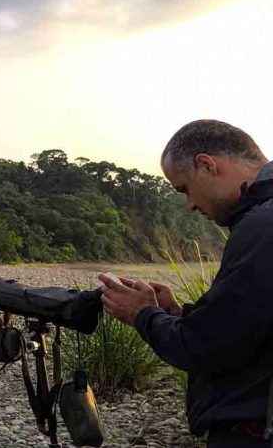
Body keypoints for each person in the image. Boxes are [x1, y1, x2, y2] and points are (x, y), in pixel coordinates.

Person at [99, 119, 273, 447]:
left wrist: (144, 315)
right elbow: (249, 333)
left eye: (184, 189)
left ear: (206, 165)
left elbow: (206, 348)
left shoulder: (263, 226)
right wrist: (176, 315)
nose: (190, 204)